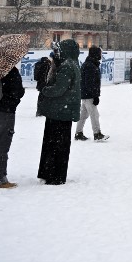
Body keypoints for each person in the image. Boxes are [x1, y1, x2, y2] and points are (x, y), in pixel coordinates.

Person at [38, 39, 82, 186]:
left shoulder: (67, 66)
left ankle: (54, 174)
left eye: (60, 50)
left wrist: (45, 89)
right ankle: (53, 173)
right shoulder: (73, 64)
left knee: (55, 145)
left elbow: (59, 89)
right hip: (63, 111)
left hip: (60, 112)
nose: (58, 53)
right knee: (59, 144)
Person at [75, 46, 107, 142]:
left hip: (85, 94)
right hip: (89, 95)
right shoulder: (90, 66)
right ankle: (97, 134)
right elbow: (90, 83)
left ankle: (78, 133)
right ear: (96, 54)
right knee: (94, 114)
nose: (101, 55)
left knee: (83, 115)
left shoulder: (89, 64)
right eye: (100, 53)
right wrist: (95, 96)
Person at [34, 51, 54, 117]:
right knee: (43, 98)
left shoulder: (45, 63)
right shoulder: (47, 64)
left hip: (41, 84)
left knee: (41, 97)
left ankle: (40, 111)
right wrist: (46, 84)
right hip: (44, 84)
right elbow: (45, 76)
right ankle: (40, 112)